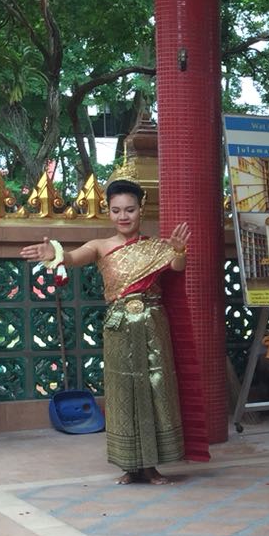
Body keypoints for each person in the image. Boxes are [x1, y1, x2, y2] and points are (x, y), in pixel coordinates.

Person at [20, 179, 193, 485]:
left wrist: (179, 250)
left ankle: (151, 465)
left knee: (155, 387)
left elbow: (177, 268)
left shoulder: (156, 246)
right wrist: (53, 252)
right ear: (108, 212)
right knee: (121, 391)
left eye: (130, 209)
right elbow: (73, 258)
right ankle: (129, 464)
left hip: (153, 324)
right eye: (116, 210)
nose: (123, 216)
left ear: (141, 210)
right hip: (118, 327)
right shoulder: (99, 246)